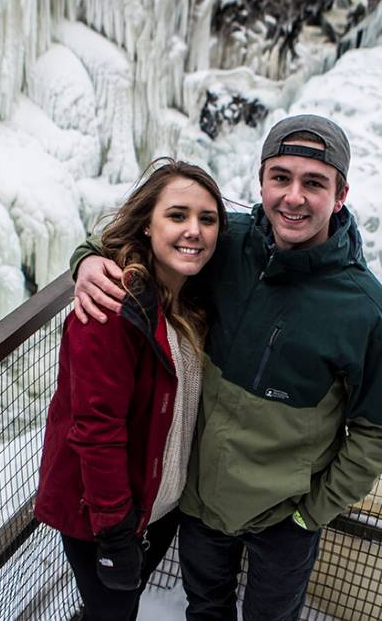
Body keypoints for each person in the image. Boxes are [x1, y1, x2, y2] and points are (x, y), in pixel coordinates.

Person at [71, 114, 382, 620]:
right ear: (261, 182)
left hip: (285, 519)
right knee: (205, 607)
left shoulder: (368, 312)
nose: (293, 197)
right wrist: (86, 259)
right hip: (202, 503)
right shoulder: (223, 243)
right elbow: (141, 238)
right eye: (281, 178)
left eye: (313, 183)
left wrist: (311, 513)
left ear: (340, 195)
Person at [34, 159, 227, 621]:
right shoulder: (111, 307)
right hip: (107, 517)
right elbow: (97, 430)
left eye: (207, 219)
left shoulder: (192, 297)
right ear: (146, 226)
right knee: (114, 613)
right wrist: (115, 533)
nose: (194, 230)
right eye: (177, 215)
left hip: (160, 504)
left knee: (119, 606)